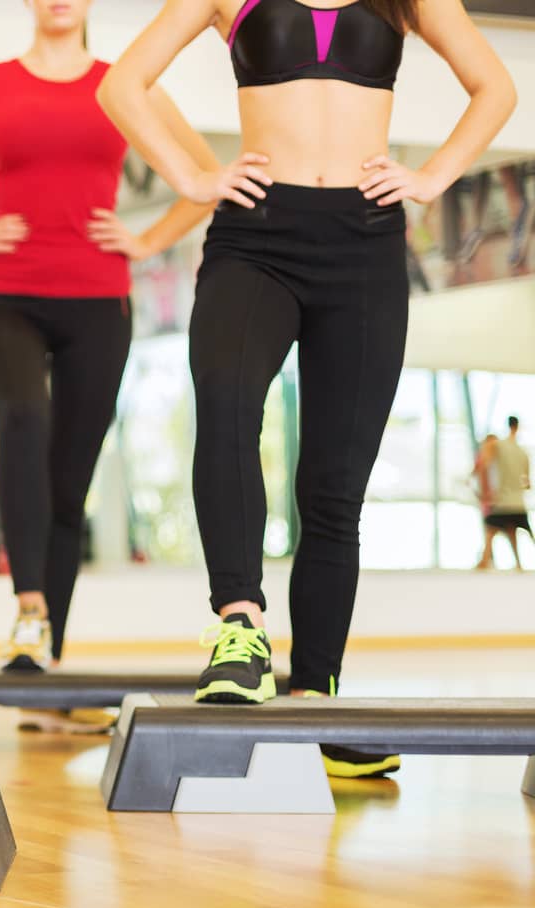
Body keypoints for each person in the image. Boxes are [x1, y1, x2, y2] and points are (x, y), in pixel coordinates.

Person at [99, 0, 515, 777]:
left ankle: (317, 694)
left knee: (334, 484)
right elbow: (123, 84)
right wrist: (194, 175)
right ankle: (239, 627)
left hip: (365, 245)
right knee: (224, 401)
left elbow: (494, 86)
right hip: (255, 234)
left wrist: (430, 176)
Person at [0, 0, 218, 675]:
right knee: (24, 419)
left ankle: (45, 653)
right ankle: (29, 609)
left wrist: (146, 240)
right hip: (7, 297)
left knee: (70, 482)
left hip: (99, 302)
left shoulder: (126, 85)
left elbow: (205, 178)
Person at [477, 416, 531, 569]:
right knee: (513, 530)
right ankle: (518, 564)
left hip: (503, 501)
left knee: (490, 531)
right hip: (518, 503)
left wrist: (485, 490)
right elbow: (527, 483)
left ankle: (484, 562)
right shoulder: (523, 452)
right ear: (517, 427)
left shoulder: (497, 445)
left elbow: (483, 465)